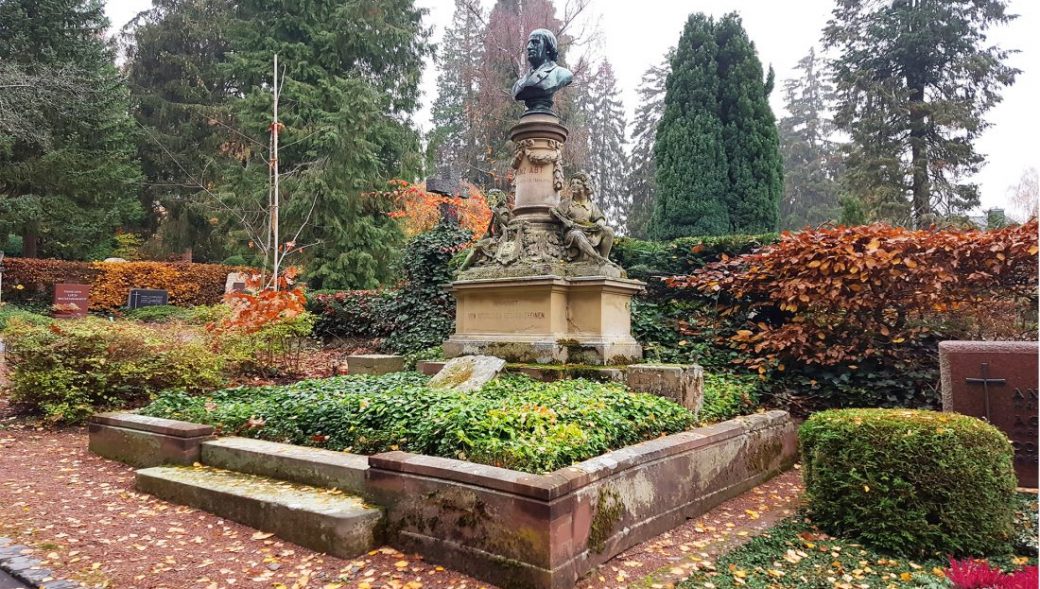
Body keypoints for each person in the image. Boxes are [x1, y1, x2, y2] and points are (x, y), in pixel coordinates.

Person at [552, 172, 615, 263]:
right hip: (572, 233)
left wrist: (599, 224)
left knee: (608, 230)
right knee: (577, 234)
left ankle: (605, 257)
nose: (574, 185)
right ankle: (597, 258)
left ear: (586, 187)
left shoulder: (591, 205)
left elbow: (600, 218)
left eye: (578, 183)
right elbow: (554, 212)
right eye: (572, 183)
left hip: (588, 231)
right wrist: (555, 214)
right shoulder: (567, 203)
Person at [512, 29, 573, 114]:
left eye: (535, 42)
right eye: (529, 43)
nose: (529, 47)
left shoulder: (561, 74)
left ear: (548, 48)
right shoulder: (518, 84)